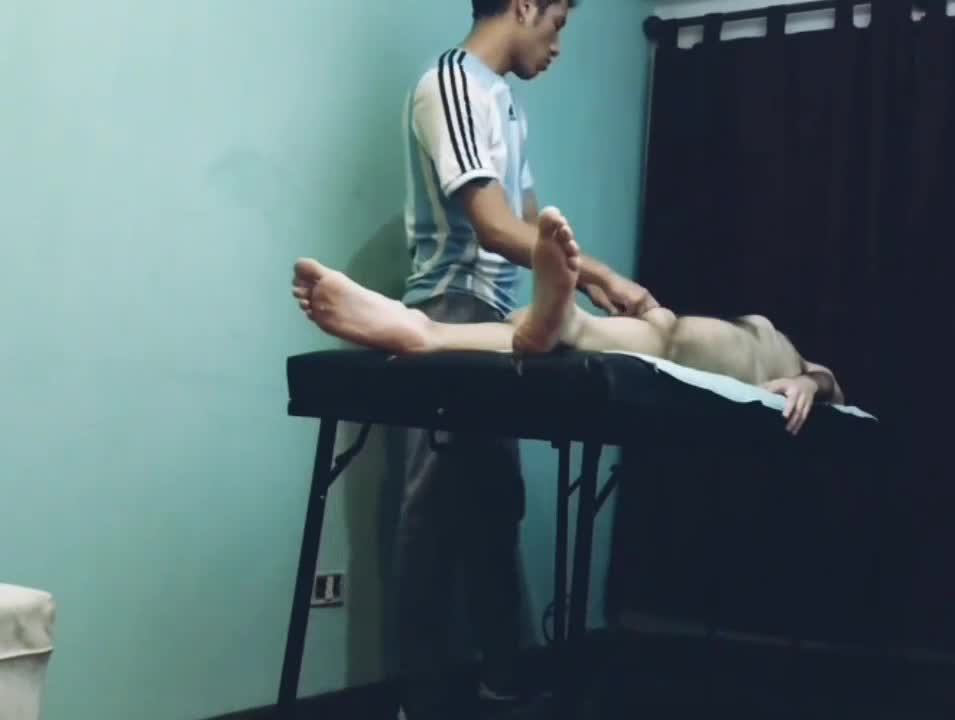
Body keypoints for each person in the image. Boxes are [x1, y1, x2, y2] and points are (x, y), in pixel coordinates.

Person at [387, 1, 659, 716]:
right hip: (449, 307)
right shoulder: (449, 83)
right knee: (429, 510)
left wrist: (575, 291)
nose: (558, 43)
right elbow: (492, 225)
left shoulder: (505, 103)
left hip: (503, 317)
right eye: (558, 21)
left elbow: (534, 224)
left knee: (495, 502)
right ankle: (415, 697)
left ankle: (502, 677)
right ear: (525, 4)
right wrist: (599, 275)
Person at [293, 207, 846, 438]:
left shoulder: (790, 360)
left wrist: (807, 382)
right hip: (680, 337)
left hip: (738, 360)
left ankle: (433, 329)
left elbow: (834, 385)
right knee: (656, 333)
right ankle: (424, 330)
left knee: (663, 336)